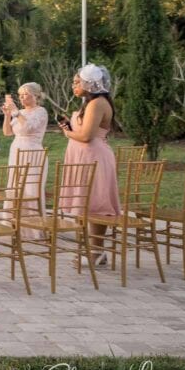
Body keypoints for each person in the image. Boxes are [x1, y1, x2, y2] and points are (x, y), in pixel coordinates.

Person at [60, 64, 119, 266]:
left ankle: (96, 251)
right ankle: (92, 250)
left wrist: (67, 132)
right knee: (86, 203)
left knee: (96, 203)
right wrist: (71, 124)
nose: (73, 85)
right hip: (84, 157)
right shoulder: (90, 103)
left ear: (89, 83)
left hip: (94, 157)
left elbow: (86, 136)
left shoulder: (97, 104)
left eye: (77, 82)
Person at [1, 82, 49, 238]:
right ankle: (14, 224)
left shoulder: (41, 111)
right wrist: (8, 115)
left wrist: (15, 113)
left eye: (25, 94)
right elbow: (7, 133)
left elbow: (28, 128)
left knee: (30, 189)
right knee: (15, 187)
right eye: (20, 95)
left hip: (33, 153)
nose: (22, 98)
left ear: (35, 95)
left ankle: (33, 229)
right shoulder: (19, 112)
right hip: (16, 151)